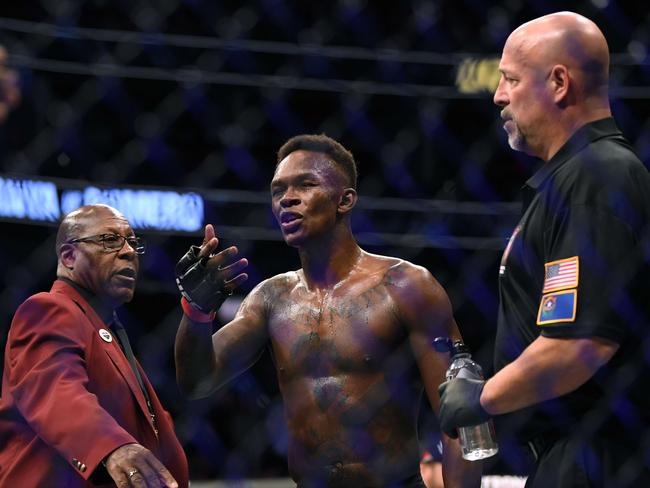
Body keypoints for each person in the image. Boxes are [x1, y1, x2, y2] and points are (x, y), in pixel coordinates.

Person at [174, 134, 482, 487]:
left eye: (306, 185)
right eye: (278, 190)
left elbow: (460, 415)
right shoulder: (270, 298)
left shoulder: (405, 286)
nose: (287, 199)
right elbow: (196, 381)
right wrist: (196, 310)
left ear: (344, 200)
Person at [438, 11, 650, 488]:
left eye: (510, 78)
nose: (497, 95)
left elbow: (581, 343)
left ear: (558, 83)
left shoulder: (598, 176)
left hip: (602, 457)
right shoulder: (578, 177)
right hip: (578, 453)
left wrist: (482, 398)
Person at [0, 204, 188, 487]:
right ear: (69, 255)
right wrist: (111, 445)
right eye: (110, 240)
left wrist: (197, 312)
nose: (128, 252)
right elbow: (56, 390)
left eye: (133, 242)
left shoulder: (107, 333)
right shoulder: (48, 309)